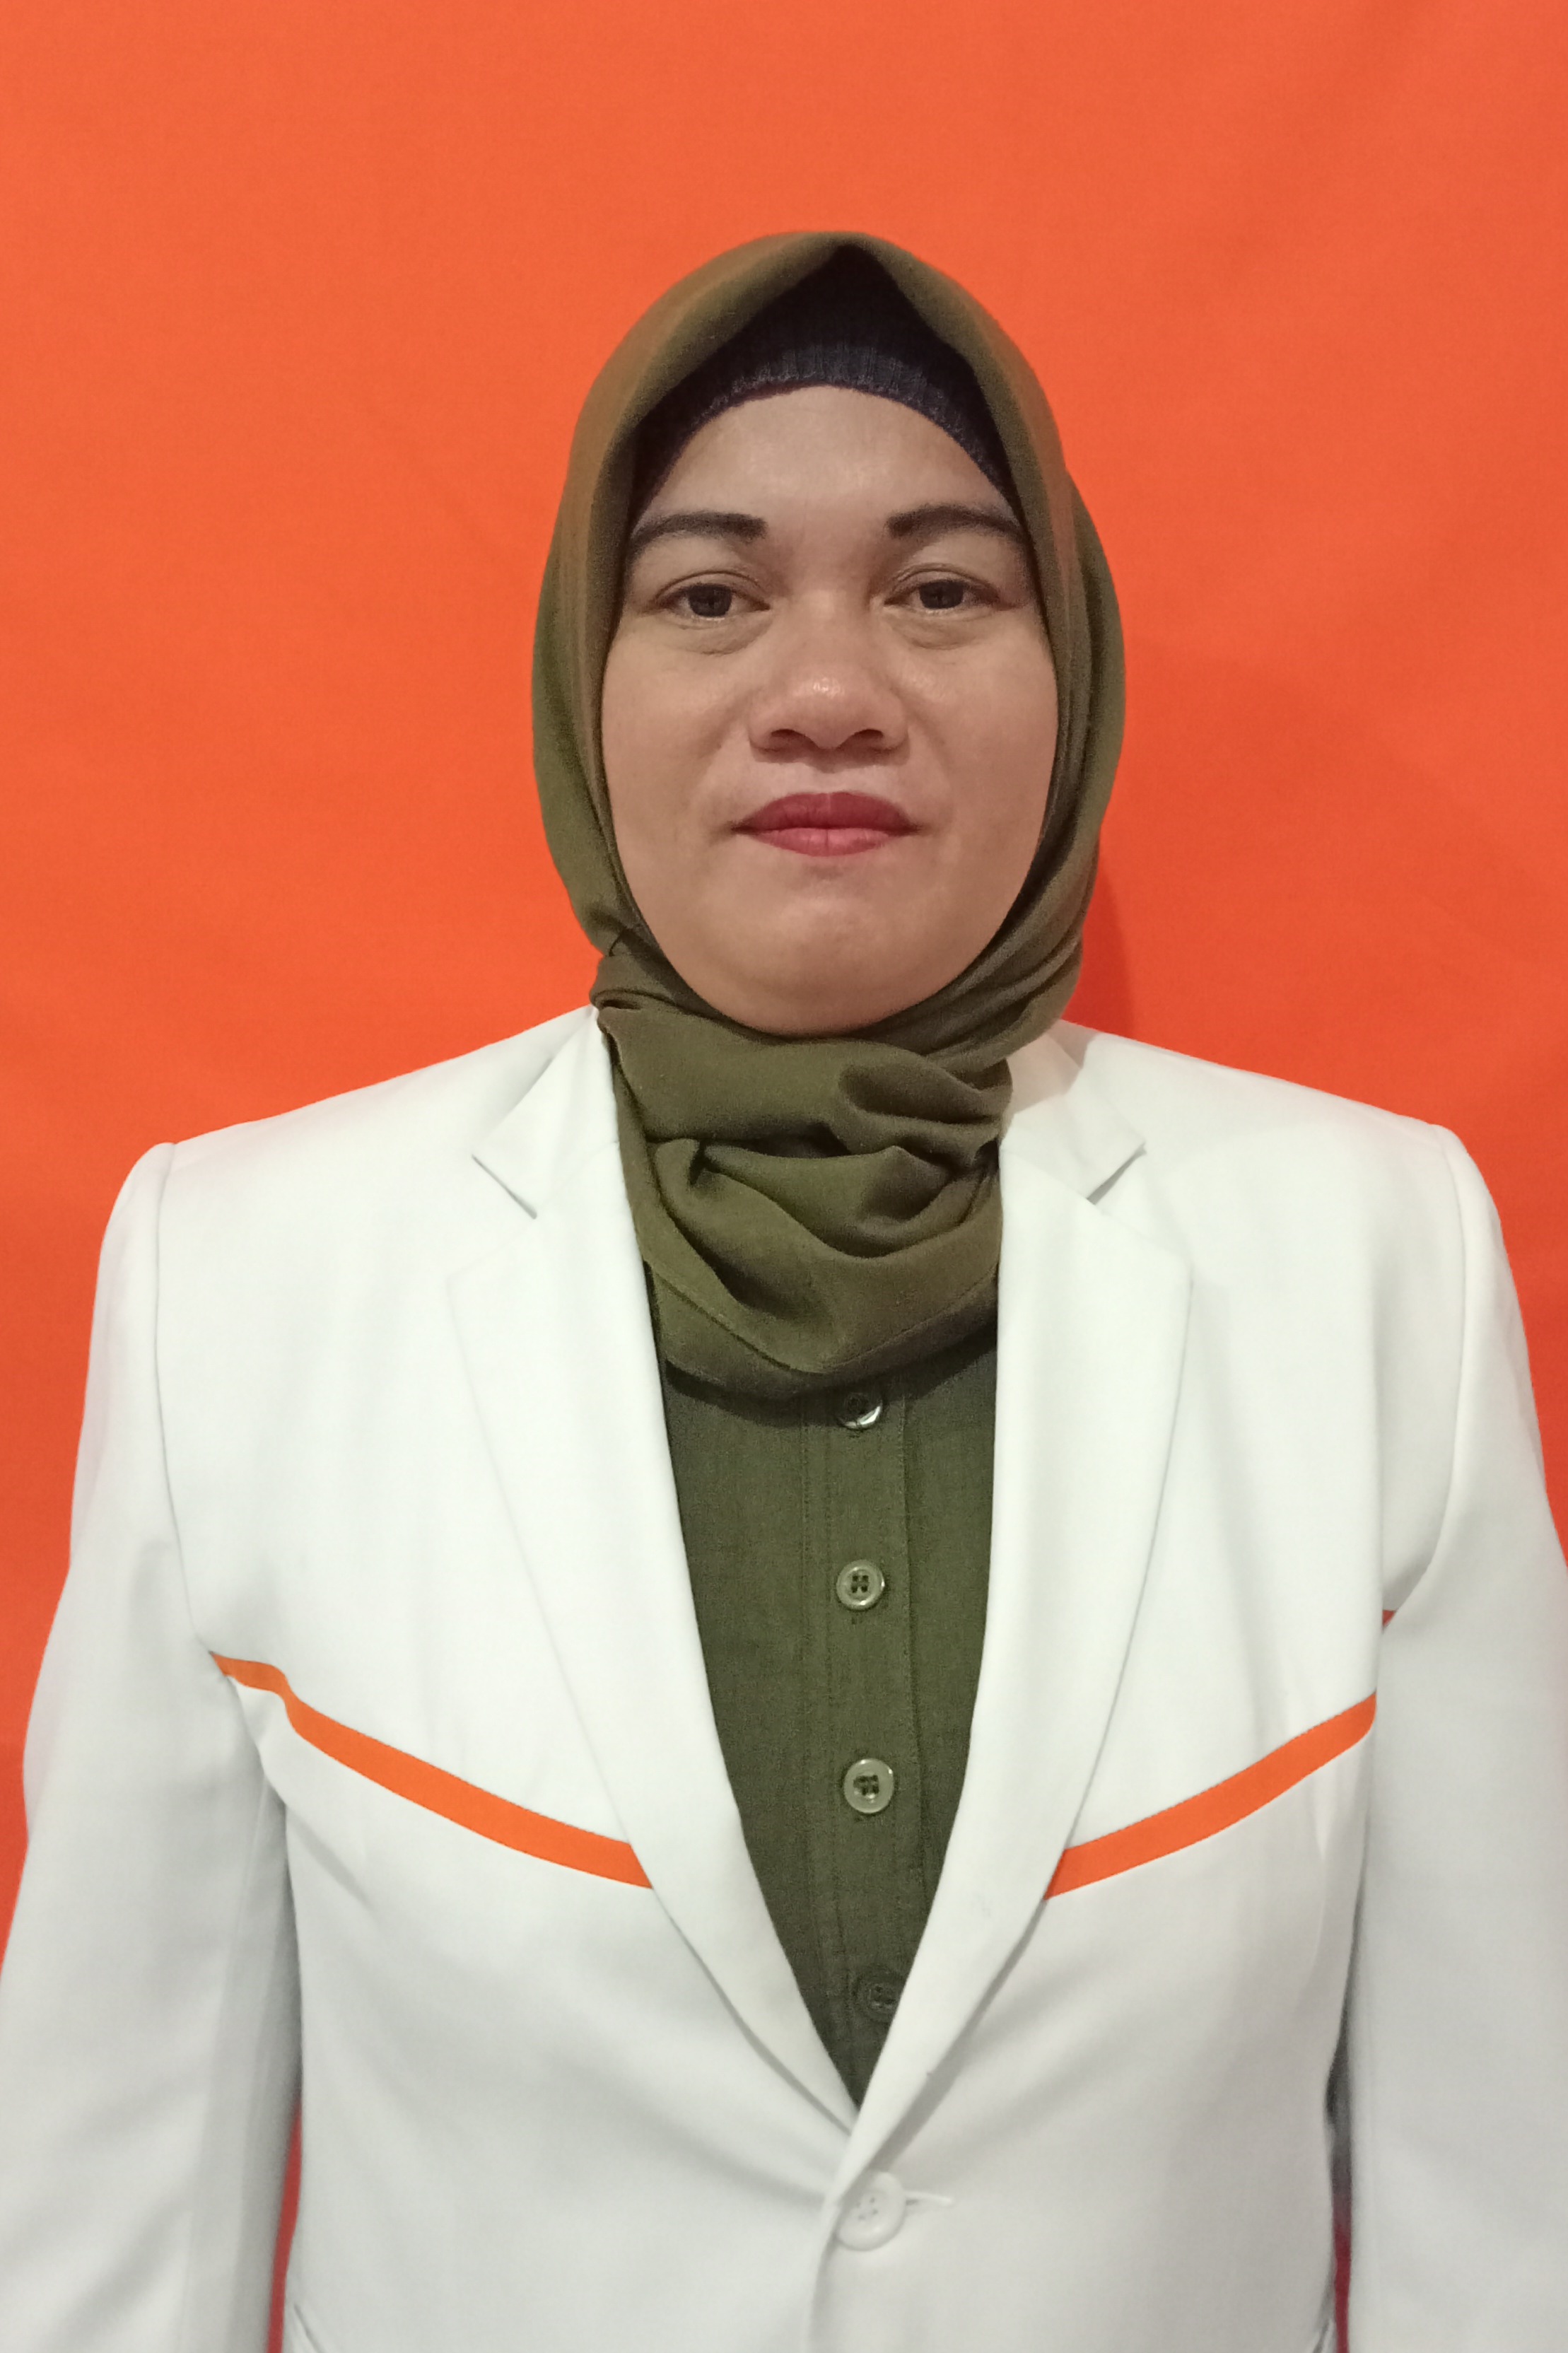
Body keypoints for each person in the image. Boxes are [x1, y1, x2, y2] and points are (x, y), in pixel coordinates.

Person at [1, 230, 1564, 2353]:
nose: (827, 690)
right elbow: (112, 2212)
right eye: (709, 596)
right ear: (586, 682)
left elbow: (1504, 2215)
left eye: (944, 590)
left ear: (1071, 676)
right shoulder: (244, 1277)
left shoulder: (1374, 1259)